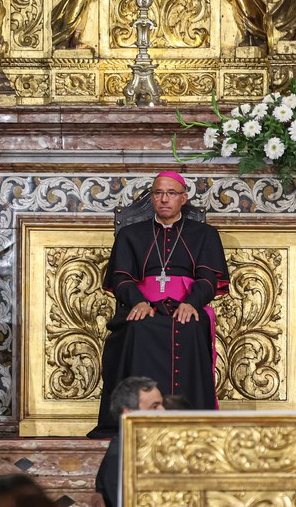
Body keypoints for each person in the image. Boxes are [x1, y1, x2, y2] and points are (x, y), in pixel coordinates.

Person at [89, 171, 229, 437]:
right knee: (136, 329)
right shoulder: (131, 234)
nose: (164, 199)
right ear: (152, 197)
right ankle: (134, 417)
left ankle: (189, 418)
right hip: (144, 305)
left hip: (186, 305)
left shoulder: (205, 234)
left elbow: (209, 278)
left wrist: (192, 303)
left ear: (183, 198)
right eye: (158, 193)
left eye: (171, 193)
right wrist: (138, 302)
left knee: (190, 327)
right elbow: (120, 277)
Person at [94, 376, 163, 507]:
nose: (163, 411)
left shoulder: (141, 451)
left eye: (161, 405)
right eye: (154, 406)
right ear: (129, 413)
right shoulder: (120, 459)